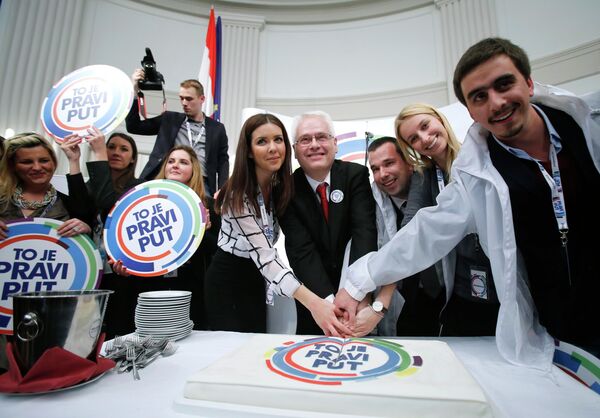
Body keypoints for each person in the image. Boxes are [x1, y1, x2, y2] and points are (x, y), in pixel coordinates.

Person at [335, 37, 600, 369]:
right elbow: (421, 233)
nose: (497, 102)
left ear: (529, 83)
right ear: (470, 110)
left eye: (504, 84)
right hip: (557, 329)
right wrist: (361, 282)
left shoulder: (588, 125)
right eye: (479, 97)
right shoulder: (473, 175)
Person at [205, 113, 350, 336]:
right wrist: (315, 303)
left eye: (278, 139)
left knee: (255, 346)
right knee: (231, 351)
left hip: (258, 278)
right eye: (262, 141)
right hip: (229, 279)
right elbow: (266, 257)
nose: (273, 148)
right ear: (249, 151)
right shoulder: (237, 195)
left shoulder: (280, 187)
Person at [395, 104, 498, 337]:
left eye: (425, 126)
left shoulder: (480, 157)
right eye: (414, 138)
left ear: (439, 119)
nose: (425, 138)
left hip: (502, 279)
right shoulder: (424, 176)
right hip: (461, 287)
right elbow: (410, 227)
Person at [0, 132, 93, 371]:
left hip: (52, 311)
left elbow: (87, 223)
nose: (37, 167)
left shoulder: (67, 202)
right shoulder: (2, 201)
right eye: (27, 161)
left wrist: (85, 229)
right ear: (13, 165)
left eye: (44, 160)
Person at [279, 111, 377, 335]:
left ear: (335, 144)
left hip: (358, 298)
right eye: (305, 139)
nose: (314, 145)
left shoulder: (356, 175)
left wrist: (352, 293)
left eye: (321, 137)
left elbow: (364, 234)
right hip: (315, 301)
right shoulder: (285, 189)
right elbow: (301, 250)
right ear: (294, 150)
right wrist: (329, 304)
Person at [111, 145, 219, 331]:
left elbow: (216, 251)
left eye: (183, 162)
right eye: (171, 161)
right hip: (148, 290)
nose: (175, 165)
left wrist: (203, 233)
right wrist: (122, 267)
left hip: (191, 292)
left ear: (193, 170)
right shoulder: (143, 200)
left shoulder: (207, 206)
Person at [60, 128, 143, 337]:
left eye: (124, 149)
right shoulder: (90, 186)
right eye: (111, 147)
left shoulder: (138, 189)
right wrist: (73, 161)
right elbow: (78, 210)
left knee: (119, 329)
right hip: (90, 270)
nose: (116, 152)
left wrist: (98, 153)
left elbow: (108, 204)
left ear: (133, 159)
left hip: (123, 272)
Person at [126, 69, 229, 196]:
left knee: (206, 213)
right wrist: (135, 93)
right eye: (181, 98)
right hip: (168, 178)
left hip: (201, 182)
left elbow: (223, 160)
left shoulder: (217, 128)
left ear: (202, 99)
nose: (184, 103)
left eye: (189, 99)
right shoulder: (169, 119)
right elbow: (133, 127)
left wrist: (223, 188)